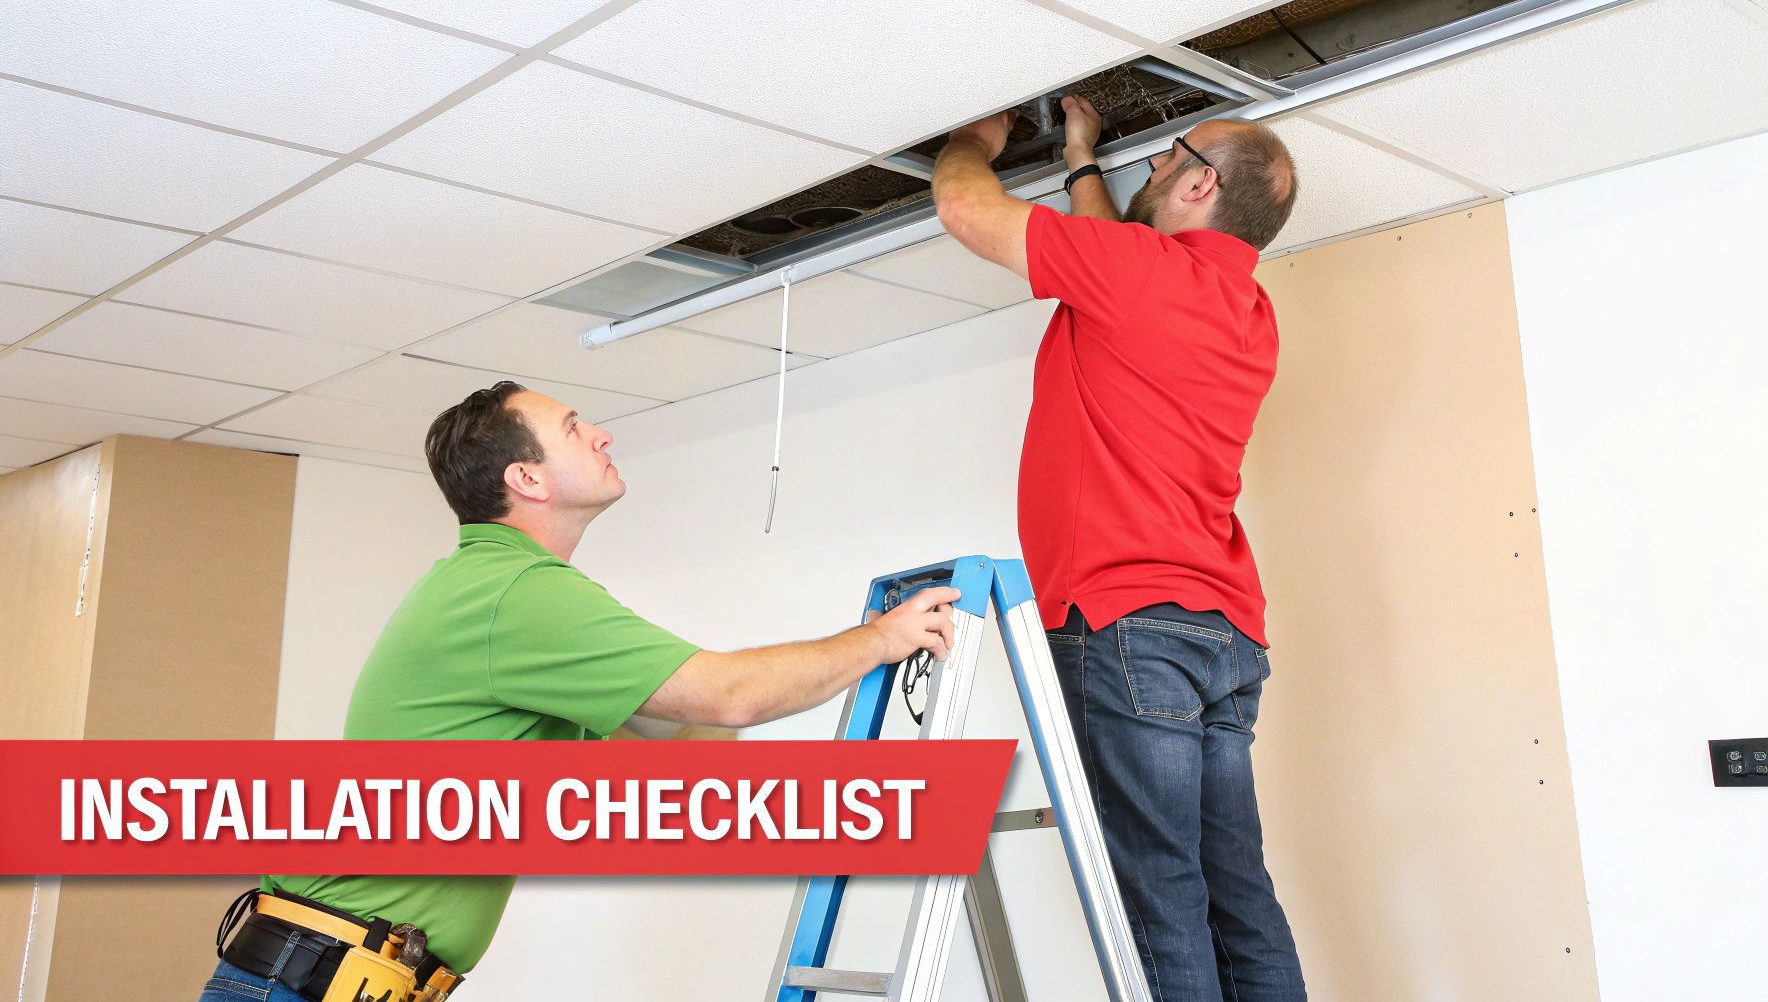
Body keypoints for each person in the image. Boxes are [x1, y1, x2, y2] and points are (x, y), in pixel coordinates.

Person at [199, 382, 958, 1002]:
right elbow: (731, 696)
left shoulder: (502, 593)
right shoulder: (516, 594)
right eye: (572, 428)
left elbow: (694, 735)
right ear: (525, 479)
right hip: (313, 984)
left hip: (337, 978)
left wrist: (834, 672)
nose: (601, 434)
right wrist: (881, 640)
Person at [931, 95, 1306, 1002]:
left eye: (1166, 159)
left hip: (1127, 627)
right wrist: (1082, 159)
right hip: (1220, 636)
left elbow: (965, 210)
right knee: (1237, 896)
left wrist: (972, 141)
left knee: (1162, 901)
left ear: (1199, 182)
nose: (1151, 170)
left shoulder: (1137, 273)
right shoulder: (1248, 312)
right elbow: (1116, 254)